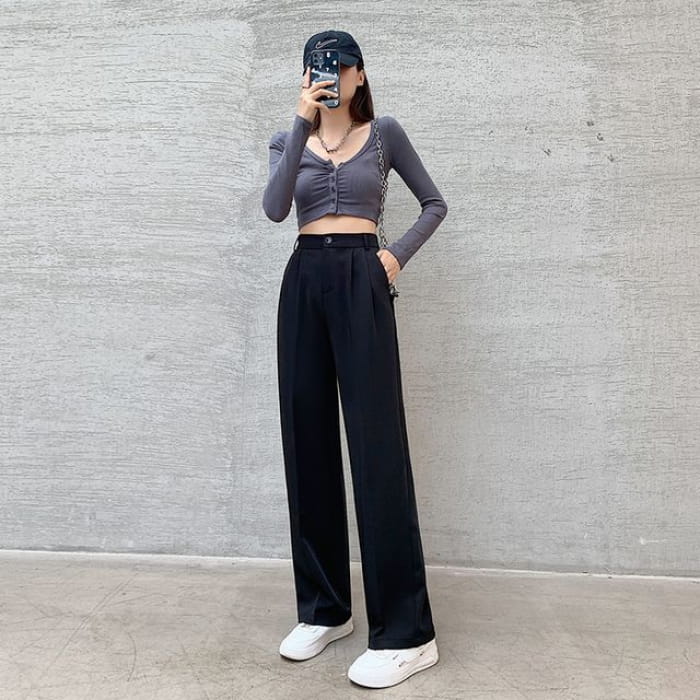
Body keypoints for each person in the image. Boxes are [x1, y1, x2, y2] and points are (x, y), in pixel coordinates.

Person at [262, 29, 448, 689]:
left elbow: (435, 204)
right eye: (320, 66)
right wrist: (300, 118)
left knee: (377, 450)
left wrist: (392, 258)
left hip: (362, 277)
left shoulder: (384, 133)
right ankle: (325, 609)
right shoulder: (288, 138)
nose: (332, 74)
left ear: (360, 74)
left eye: (342, 65)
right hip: (304, 279)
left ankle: (408, 634)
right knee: (306, 442)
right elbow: (275, 209)